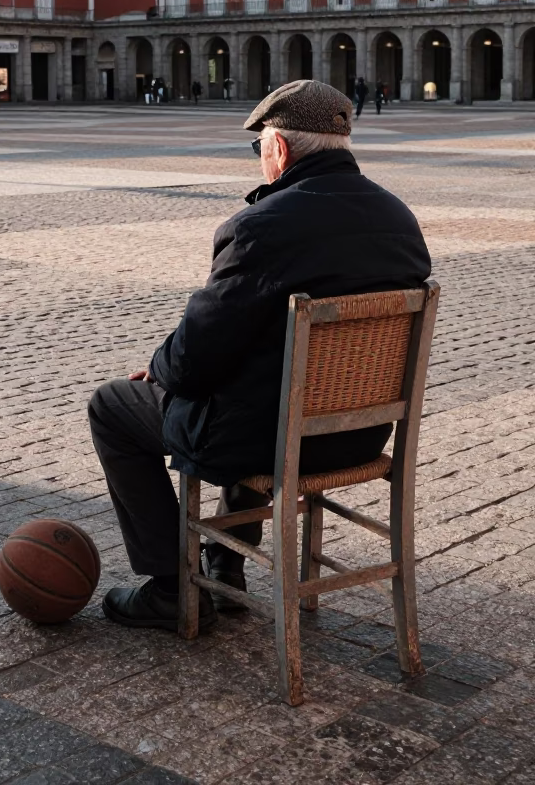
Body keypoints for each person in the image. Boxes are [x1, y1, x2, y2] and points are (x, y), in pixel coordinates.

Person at [88, 79, 430, 632]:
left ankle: (171, 587)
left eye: (259, 147)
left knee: (112, 407)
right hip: (358, 435)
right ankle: (225, 560)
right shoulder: (399, 218)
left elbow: (195, 360)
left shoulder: (259, 228)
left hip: (276, 440)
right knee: (258, 384)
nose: (259, 159)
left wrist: (160, 365)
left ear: (281, 149)